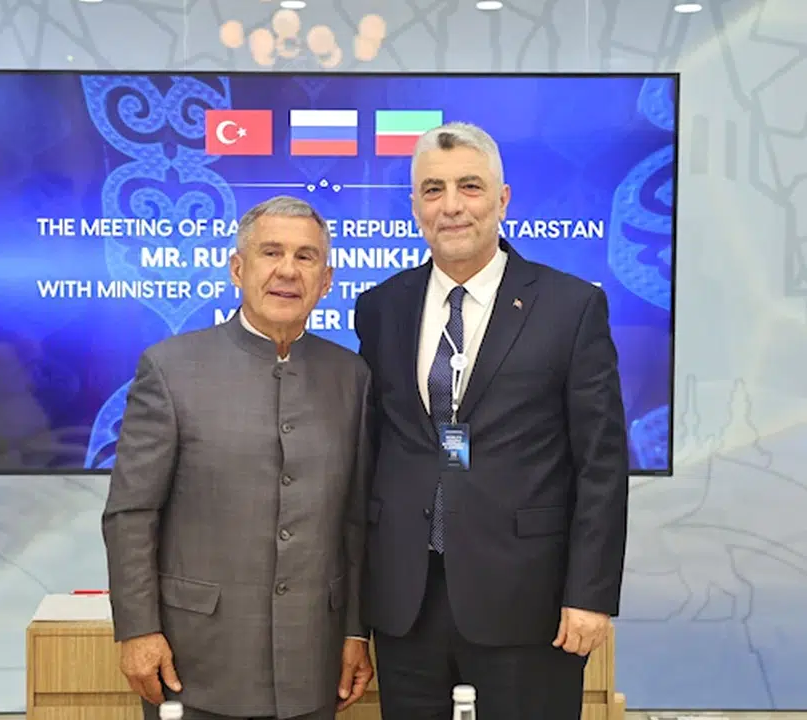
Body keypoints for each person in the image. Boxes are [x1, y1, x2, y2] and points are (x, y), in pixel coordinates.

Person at [353, 122, 630, 720]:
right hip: (407, 601)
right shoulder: (381, 307)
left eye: (470, 187)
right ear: (414, 206)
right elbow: (371, 456)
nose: (451, 206)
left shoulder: (571, 307)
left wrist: (590, 594)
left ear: (503, 200)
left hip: (528, 600)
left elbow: (601, 464)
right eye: (433, 190)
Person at [102, 195, 374, 720]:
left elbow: (357, 521)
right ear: (237, 268)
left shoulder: (351, 376)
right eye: (271, 252)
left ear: (326, 281)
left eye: (306, 257)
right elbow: (131, 514)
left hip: (313, 661)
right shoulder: (171, 369)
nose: (287, 271)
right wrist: (138, 630)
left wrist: (355, 631)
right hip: (195, 659)